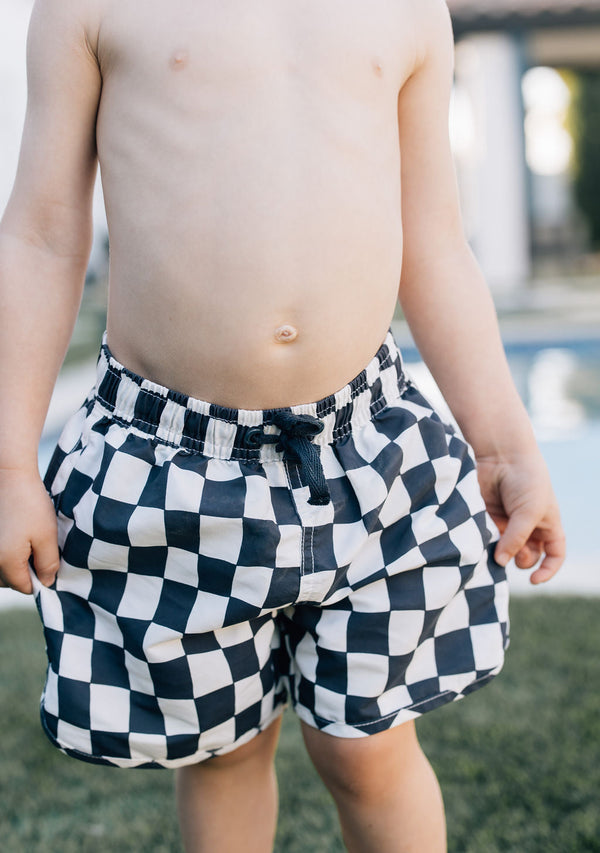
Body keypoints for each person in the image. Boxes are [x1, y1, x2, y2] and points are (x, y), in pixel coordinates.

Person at [0, 0, 565, 850]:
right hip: (170, 461)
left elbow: (435, 243)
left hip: (366, 450)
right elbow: (42, 236)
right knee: (224, 754)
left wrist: (506, 445)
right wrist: (10, 463)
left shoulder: (406, 11)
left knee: (367, 748)